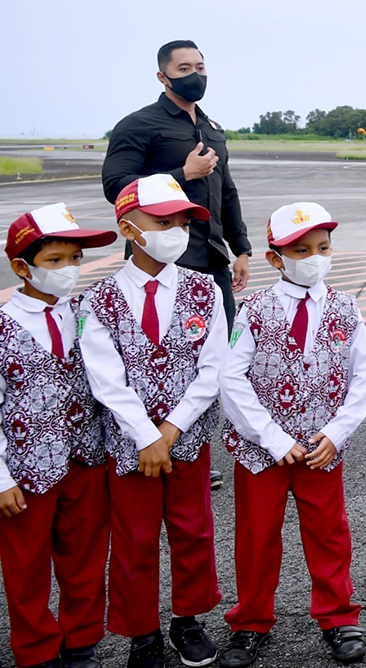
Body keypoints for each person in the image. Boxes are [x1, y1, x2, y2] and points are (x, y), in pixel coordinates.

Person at [218, 203, 366, 666]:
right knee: (256, 538)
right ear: (275, 258)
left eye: (322, 248)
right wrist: (271, 437)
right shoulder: (254, 309)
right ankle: (249, 622)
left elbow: (362, 376)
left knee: (329, 534)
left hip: (321, 448)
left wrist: (335, 432)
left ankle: (339, 617)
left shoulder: (347, 308)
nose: (314, 257)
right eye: (300, 250)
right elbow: (232, 377)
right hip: (261, 452)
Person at [79, 174, 226, 668]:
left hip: (185, 440)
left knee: (193, 529)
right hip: (129, 447)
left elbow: (213, 367)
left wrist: (172, 428)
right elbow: (105, 378)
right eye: (163, 221)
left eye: (182, 221)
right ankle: (141, 630)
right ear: (129, 228)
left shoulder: (204, 289)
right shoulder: (97, 300)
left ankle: (188, 618)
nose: (176, 231)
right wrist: (145, 435)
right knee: (135, 538)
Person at [102, 39, 251, 490]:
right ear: (163, 76)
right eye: (185, 67)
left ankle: (199, 449)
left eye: (201, 66)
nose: (196, 74)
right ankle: (151, 443)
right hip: (161, 258)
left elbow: (226, 190)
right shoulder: (140, 125)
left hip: (210, 256)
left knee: (217, 358)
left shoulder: (212, 127)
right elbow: (116, 185)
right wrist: (181, 175)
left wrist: (240, 247)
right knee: (161, 361)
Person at [0, 206, 116, 668]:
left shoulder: (88, 314)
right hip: (26, 469)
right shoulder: (4, 326)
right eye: (55, 260)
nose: (68, 269)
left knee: (86, 556)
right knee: (26, 565)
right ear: (22, 268)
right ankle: (35, 648)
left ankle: (81, 640)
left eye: (75, 258)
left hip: (86, 458)